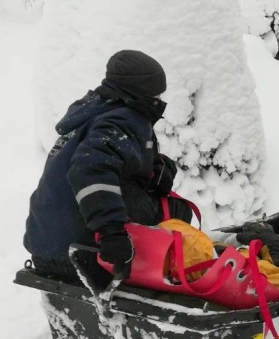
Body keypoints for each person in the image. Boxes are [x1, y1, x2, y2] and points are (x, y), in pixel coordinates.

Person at [23, 50, 192, 281]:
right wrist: (111, 231)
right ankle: (166, 270)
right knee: (179, 211)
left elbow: (106, 160)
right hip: (82, 254)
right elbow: (90, 169)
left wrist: (153, 169)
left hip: (45, 245)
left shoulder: (94, 113)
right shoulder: (124, 119)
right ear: (142, 91)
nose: (160, 99)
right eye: (156, 93)